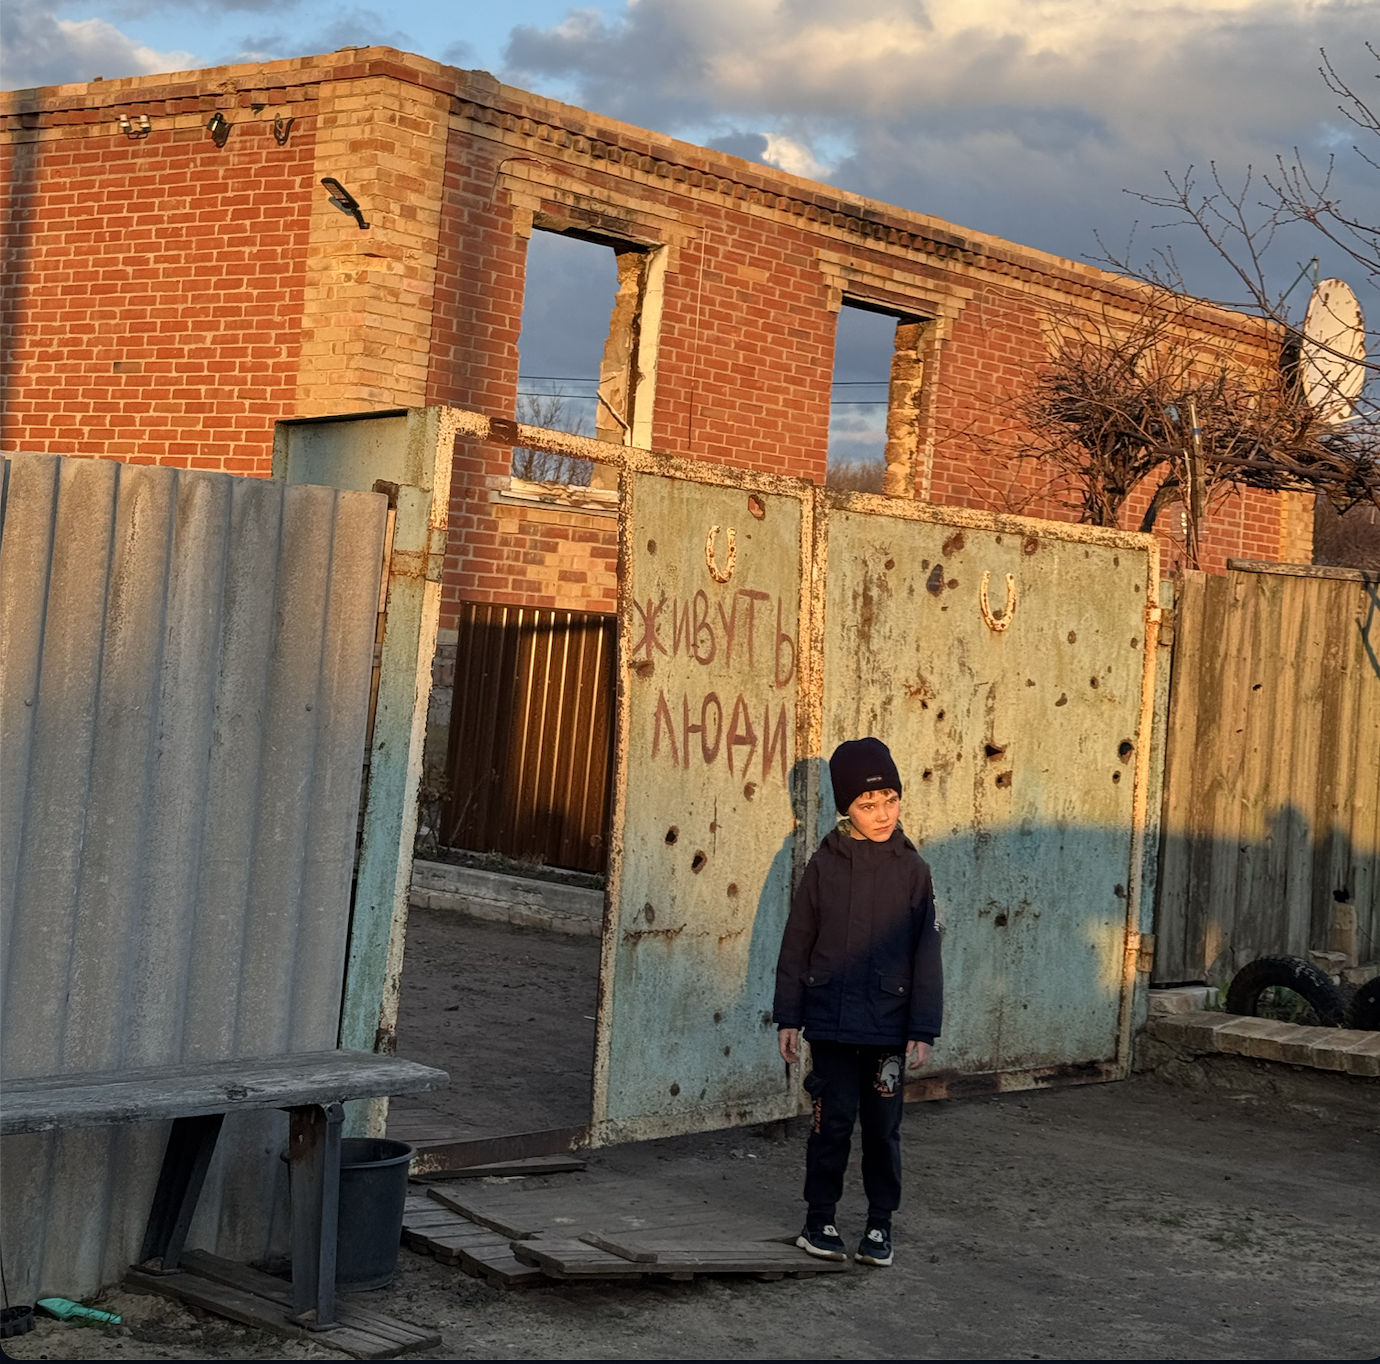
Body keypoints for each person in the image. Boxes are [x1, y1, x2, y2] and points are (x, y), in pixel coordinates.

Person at [773, 736, 943, 1268]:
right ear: (845, 807)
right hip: (831, 1024)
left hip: (889, 1029)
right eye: (868, 805)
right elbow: (797, 940)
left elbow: (926, 951)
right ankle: (818, 1220)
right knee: (831, 1123)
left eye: (891, 800)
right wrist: (789, 1015)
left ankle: (878, 1225)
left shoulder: (914, 871)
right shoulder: (823, 867)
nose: (882, 813)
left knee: (883, 1130)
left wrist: (923, 1026)